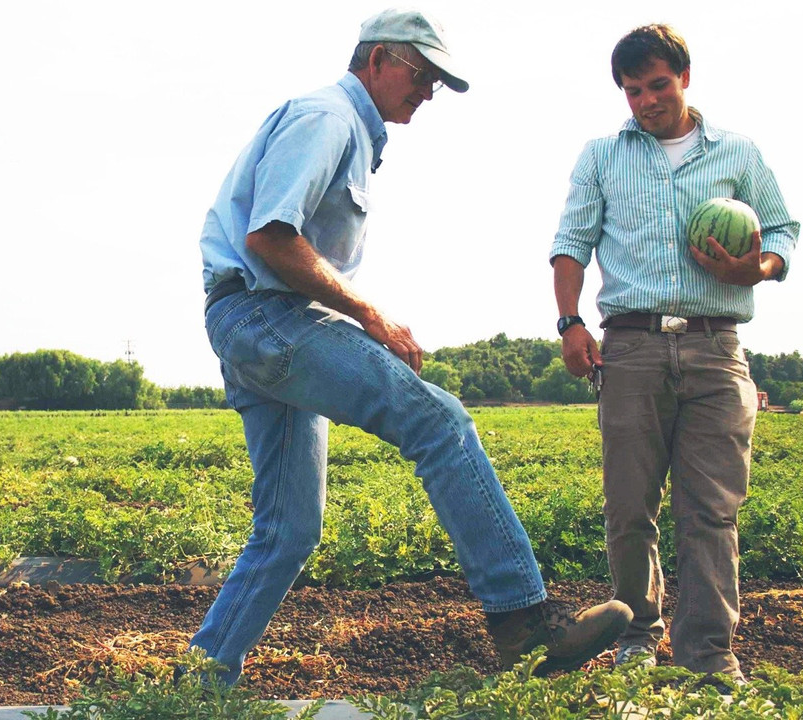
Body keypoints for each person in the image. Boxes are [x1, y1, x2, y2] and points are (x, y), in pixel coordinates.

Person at [194, 7, 631, 686]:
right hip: (267, 316)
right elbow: (269, 237)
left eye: (436, 80)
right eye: (420, 73)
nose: (427, 91)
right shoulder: (327, 118)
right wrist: (371, 315)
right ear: (375, 60)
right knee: (439, 421)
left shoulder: (353, 132)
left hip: (257, 325)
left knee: (288, 531)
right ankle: (526, 625)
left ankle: (200, 685)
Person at [549, 24, 799, 682]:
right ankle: (636, 634)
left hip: (716, 347)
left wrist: (759, 266)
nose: (647, 101)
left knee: (710, 511)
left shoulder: (737, 153)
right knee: (630, 508)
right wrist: (571, 321)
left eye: (658, 85)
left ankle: (710, 660)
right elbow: (571, 242)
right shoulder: (603, 155)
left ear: (684, 77)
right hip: (629, 345)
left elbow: (781, 228)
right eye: (634, 91)